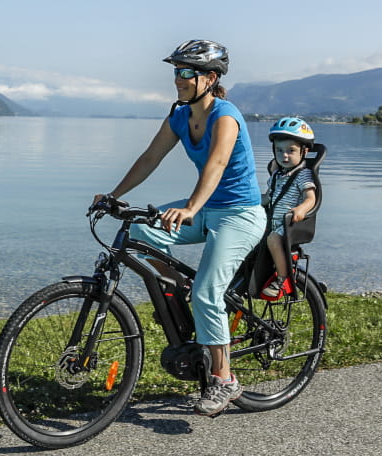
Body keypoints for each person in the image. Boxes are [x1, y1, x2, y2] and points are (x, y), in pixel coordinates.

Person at [93, 39, 266, 417]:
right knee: (139, 231)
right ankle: (178, 287)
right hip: (205, 209)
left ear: (209, 77)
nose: (178, 79)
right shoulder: (179, 116)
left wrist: (189, 207)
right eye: (176, 71)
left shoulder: (226, 115)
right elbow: (150, 157)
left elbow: (216, 166)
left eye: (186, 72)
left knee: (208, 292)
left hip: (240, 214)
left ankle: (224, 380)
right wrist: (113, 195)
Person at [261, 118, 317, 298]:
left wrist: (301, 209)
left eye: (291, 151)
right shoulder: (278, 174)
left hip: (287, 225)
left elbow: (311, 198)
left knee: (273, 239)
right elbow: (268, 196)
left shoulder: (303, 175)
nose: (284, 156)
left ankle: (283, 278)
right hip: (270, 220)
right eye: (279, 150)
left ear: (304, 151)